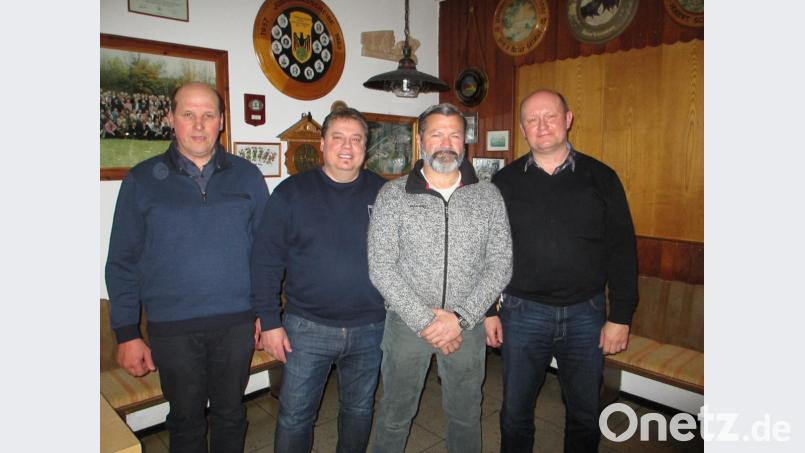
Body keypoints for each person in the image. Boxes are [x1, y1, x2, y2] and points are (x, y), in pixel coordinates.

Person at [105, 82, 269, 453]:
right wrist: (127, 333)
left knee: (231, 415)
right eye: (188, 114)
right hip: (173, 329)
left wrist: (265, 313)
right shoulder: (142, 180)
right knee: (185, 421)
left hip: (236, 324)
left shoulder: (247, 176)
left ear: (221, 121)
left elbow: (265, 254)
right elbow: (122, 261)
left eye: (208, 115)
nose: (198, 124)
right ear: (170, 118)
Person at [486, 89, 639, 453]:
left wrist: (620, 316)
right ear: (523, 127)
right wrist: (489, 310)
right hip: (522, 313)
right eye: (532, 119)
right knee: (515, 412)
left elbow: (622, 250)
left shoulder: (602, 178)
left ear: (568, 119)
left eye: (550, 116)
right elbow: (488, 252)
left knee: (585, 413)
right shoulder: (503, 183)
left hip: (586, 314)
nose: (542, 126)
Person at [367, 103, 512, 453]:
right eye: (437, 134)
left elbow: (501, 264)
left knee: (466, 415)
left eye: (455, 135)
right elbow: (381, 266)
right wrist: (428, 321)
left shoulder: (488, 196)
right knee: (394, 414)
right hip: (406, 324)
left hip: (468, 326)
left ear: (465, 142)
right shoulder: (393, 195)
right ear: (421, 140)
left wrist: (459, 319)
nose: (446, 143)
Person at [250, 107, 388, 453]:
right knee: (295, 417)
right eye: (338, 138)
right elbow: (265, 261)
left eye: (356, 139)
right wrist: (270, 322)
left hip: (371, 327)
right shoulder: (291, 193)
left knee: (359, 411)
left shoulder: (385, 194)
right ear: (323, 144)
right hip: (306, 328)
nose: (347, 147)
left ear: (366, 146)